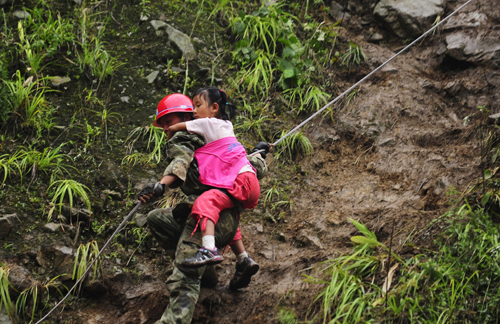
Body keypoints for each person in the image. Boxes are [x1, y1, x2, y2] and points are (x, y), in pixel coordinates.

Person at [138, 93, 270, 324]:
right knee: (157, 218)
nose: (166, 128)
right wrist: (258, 155)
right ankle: (207, 276)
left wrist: (161, 185)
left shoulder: (184, 137)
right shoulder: (214, 135)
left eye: (169, 121)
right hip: (227, 220)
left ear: (185, 117)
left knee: (186, 264)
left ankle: (176, 316)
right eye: (164, 124)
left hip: (208, 218)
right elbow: (240, 165)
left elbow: (180, 162)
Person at [165, 87, 260, 271]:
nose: (193, 112)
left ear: (214, 108)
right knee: (220, 213)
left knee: (204, 203)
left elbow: (178, 127)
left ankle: (209, 249)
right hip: (249, 181)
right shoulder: (226, 126)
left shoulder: (209, 123)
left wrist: (170, 131)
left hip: (240, 181)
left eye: (198, 105)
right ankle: (244, 258)